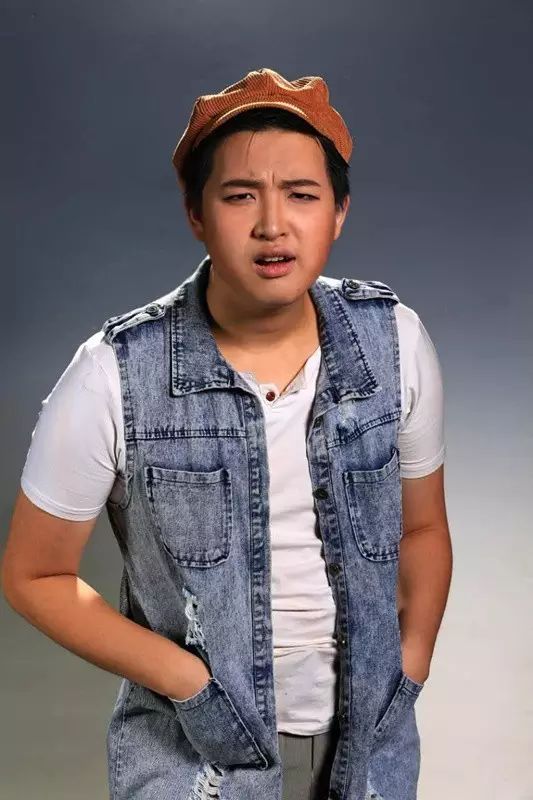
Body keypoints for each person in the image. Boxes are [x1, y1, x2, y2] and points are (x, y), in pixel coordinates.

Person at [1, 67, 452, 800]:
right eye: (240, 195)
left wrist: (414, 656)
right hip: (195, 765)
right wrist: (184, 680)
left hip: (370, 755)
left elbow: (423, 527)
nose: (272, 225)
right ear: (196, 213)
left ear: (338, 211)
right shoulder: (114, 374)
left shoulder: (392, 342)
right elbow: (34, 575)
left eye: (301, 195)